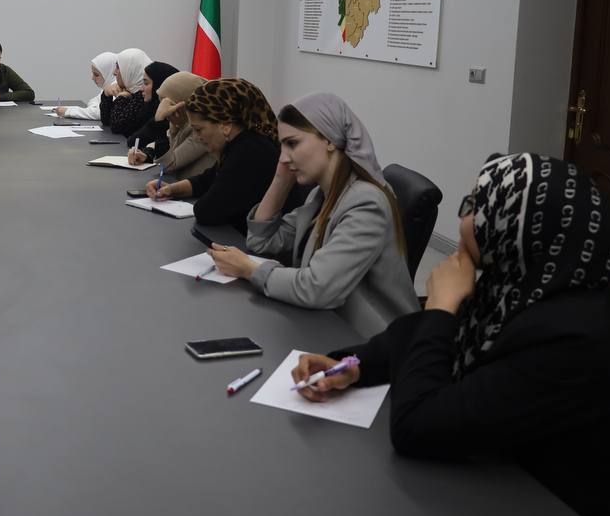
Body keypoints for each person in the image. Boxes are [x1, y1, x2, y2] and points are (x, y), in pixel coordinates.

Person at [291, 153, 610, 516]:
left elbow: (416, 427)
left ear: (517, 225)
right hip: (532, 497)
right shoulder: (522, 289)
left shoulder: (572, 337)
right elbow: (415, 340)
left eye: (476, 206)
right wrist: (355, 364)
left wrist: (441, 308)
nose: (464, 216)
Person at [207, 92, 416, 336]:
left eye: (292, 143)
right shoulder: (321, 196)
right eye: (282, 146)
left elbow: (317, 288)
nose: (283, 158)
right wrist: (280, 180)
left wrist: (249, 270)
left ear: (329, 140)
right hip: (328, 323)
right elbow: (261, 241)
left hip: (371, 340)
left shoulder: (365, 203)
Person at [144, 78, 279, 231]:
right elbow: (207, 180)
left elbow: (206, 211)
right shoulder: (240, 143)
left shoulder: (250, 151)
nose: (197, 136)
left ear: (226, 125)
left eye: (199, 129)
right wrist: (171, 189)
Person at [138, 71, 214, 179]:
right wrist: (147, 154)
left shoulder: (203, 130)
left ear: (181, 106)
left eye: (168, 105)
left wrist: (159, 120)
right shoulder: (181, 124)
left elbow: (167, 165)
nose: (165, 110)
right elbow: (170, 151)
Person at [125, 61, 178, 163]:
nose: (141, 89)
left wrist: (158, 120)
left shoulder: (172, 115)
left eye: (146, 83)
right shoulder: (150, 107)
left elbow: (169, 157)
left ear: (160, 85)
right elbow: (134, 139)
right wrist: (147, 154)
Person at [101, 47, 152, 138]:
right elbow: (106, 121)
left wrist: (122, 98)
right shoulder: (131, 91)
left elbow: (117, 126)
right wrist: (106, 95)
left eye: (118, 67)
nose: (114, 72)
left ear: (130, 70)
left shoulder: (142, 96)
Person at [53, 51, 117, 120]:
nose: (92, 78)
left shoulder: (115, 88)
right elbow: (93, 101)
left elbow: (100, 113)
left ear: (110, 73)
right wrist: (93, 109)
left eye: (96, 74)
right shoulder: (107, 87)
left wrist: (69, 111)